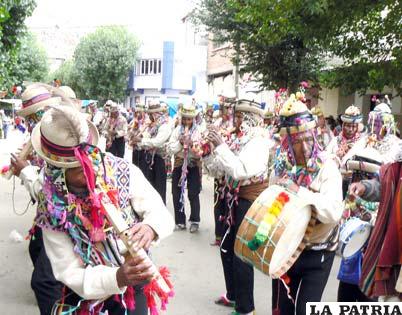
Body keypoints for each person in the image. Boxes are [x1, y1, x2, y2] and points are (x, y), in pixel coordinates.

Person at [13, 105, 174, 314]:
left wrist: (151, 227)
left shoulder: (121, 170)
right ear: (57, 167)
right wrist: (116, 277)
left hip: (135, 279)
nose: (91, 172)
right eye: (79, 170)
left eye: (92, 161)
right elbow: (68, 270)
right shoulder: (51, 203)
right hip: (88, 293)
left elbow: (159, 211)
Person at [271, 94, 343, 315]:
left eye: (307, 139)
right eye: (296, 141)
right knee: (282, 310)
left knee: (304, 311)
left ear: (314, 135)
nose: (304, 147)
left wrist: (299, 192)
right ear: (287, 143)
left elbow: (332, 212)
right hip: (287, 249)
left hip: (318, 252)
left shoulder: (327, 167)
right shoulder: (281, 167)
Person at [205, 100, 271, 315]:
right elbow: (219, 172)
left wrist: (222, 146)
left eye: (242, 117)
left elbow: (240, 170)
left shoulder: (259, 141)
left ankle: (246, 308)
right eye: (237, 116)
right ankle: (233, 295)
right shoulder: (237, 139)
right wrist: (207, 152)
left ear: (252, 120)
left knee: (241, 253)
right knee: (226, 247)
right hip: (232, 198)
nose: (237, 121)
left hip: (249, 201)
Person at [11, 84, 64, 315]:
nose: (31, 121)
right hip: (52, 212)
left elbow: (52, 192)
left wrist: (25, 170)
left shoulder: (57, 134)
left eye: (33, 116)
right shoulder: (44, 134)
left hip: (64, 214)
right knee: (36, 250)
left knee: (44, 281)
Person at [167, 103, 203, 233]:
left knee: (193, 192)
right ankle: (180, 221)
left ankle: (195, 220)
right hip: (179, 163)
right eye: (185, 119)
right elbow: (170, 148)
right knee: (176, 193)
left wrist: (192, 144)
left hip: (193, 164)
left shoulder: (198, 131)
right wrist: (180, 143)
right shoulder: (177, 130)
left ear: (193, 119)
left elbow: (201, 150)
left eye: (189, 119)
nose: (187, 121)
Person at [137, 102, 172, 204]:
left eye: (150, 114)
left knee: (159, 187)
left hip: (160, 159)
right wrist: (140, 137)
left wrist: (140, 141)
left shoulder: (164, 126)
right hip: (152, 158)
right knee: (151, 185)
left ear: (155, 114)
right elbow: (147, 135)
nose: (149, 116)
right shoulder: (155, 125)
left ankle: (160, 211)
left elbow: (157, 142)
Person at [326, 105, 364, 197]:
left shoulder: (362, 142)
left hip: (354, 183)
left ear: (357, 127)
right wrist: (336, 156)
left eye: (353, 126)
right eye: (348, 126)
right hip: (334, 182)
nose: (351, 130)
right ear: (343, 126)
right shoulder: (335, 141)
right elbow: (326, 159)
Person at [128, 104, 147, 170]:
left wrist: (139, 129)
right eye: (136, 112)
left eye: (139, 112)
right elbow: (129, 134)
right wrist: (133, 128)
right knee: (135, 166)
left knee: (142, 168)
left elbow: (145, 134)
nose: (138, 114)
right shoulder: (133, 121)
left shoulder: (147, 122)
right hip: (135, 148)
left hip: (143, 149)